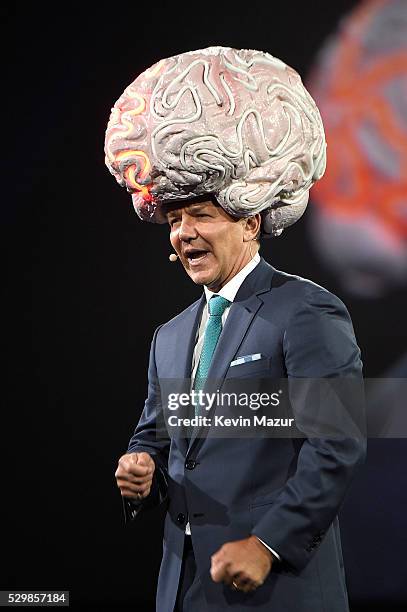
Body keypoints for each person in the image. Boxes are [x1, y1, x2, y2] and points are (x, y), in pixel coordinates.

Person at [106, 46, 366, 612]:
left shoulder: (306, 312)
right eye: (174, 220)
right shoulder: (170, 336)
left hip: (277, 588)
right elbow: (154, 436)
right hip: (183, 587)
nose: (182, 232)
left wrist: (269, 544)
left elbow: (336, 444)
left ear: (250, 220)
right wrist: (140, 468)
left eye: (200, 214)